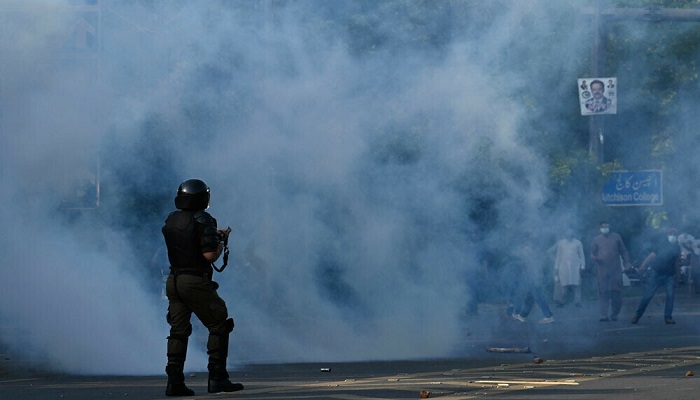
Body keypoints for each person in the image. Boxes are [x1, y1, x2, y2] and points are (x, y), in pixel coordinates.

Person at [162, 179, 244, 396]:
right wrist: (221, 241)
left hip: (173, 280)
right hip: (194, 281)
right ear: (202, 197)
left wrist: (212, 235)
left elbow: (188, 240)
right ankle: (218, 378)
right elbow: (209, 255)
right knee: (219, 323)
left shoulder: (171, 219)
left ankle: (174, 382)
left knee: (178, 331)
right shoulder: (203, 219)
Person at [631, 229, 681, 325]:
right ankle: (637, 315)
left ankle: (668, 317)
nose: (673, 236)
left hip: (669, 275)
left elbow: (677, 262)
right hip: (657, 273)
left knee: (670, 296)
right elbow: (651, 257)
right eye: (671, 234)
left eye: (675, 234)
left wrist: (678, 278)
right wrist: (642, 267)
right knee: (648, 295)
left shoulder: (677, 247)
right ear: (667, 235)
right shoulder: (661, 245)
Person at [590, 221, 632, 321]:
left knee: (616, 292)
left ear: (610, 227)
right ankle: (603, 315)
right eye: (603, 227)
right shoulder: (596, 240)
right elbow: (592, 253)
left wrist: (627, 263)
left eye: (607, 227)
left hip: (615, 269)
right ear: (600, 228)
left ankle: (614, 314)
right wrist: (594, 258)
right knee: (603, 292)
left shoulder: (616, 237)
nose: (605, 228)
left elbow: (624, 251)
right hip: (602, 270)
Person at [510, 241, 555, 324]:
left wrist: (535, 280)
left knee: (539, 298)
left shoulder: (530, 257)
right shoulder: (530, 257)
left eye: (525, 249)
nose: (523, 251)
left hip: (534, 281)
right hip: (533, 281)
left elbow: (533, 271)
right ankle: (522, 315)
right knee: (529, 299)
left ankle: (548, 316)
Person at [548, 228, 585, 307]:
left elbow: (581, 255)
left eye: (571, 232)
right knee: (563, 284)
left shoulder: (578, 243)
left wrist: (582, 266)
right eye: (567, 232)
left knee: (577, 284)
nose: (569, 234)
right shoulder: (561, 243)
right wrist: (556, 267)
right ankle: (561, 301)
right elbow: (558, 256)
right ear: (565, 233)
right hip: (563, 267)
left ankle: (577, 301)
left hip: (575, 266)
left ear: (573, 233)